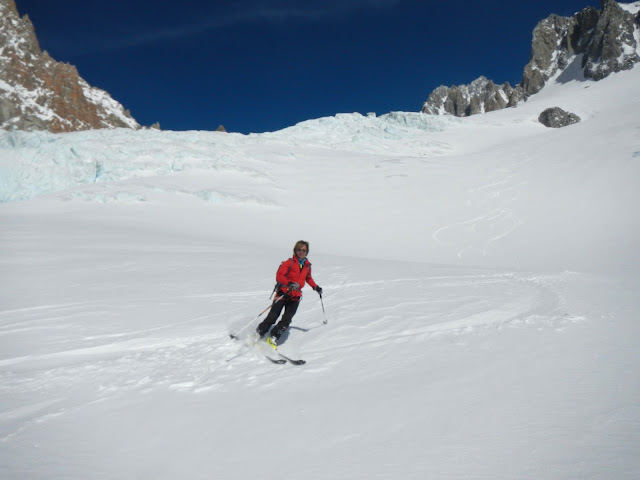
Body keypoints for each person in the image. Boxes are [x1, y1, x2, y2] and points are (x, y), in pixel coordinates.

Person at [257, 240, 322, 347]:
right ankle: (259, 333)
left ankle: (273, 337)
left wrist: (316, 287)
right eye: (299, 250)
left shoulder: (307, 266)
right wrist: (289, 283)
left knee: (287, 319)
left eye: (304, 250)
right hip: (283, 292)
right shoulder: (289, 262)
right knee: (273, 316)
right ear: (295, 251)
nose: (301, 252)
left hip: (295, 297)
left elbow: (308, 278)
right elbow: (279, 276)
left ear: (307, 252)